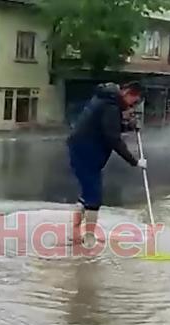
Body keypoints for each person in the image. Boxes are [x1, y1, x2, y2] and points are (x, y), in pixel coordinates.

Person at [66, 81, 147, 246]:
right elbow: (112, 138)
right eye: (135, 101)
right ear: (128, 93)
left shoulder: (106, 100)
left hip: (83, 151)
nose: (133, 106)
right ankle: (89, 239)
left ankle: (74, 234)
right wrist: (134, 161)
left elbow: (106, 128)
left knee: (88, 194)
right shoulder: (111, 105)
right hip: (86, 153)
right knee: (94, 197)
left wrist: (128, 126)